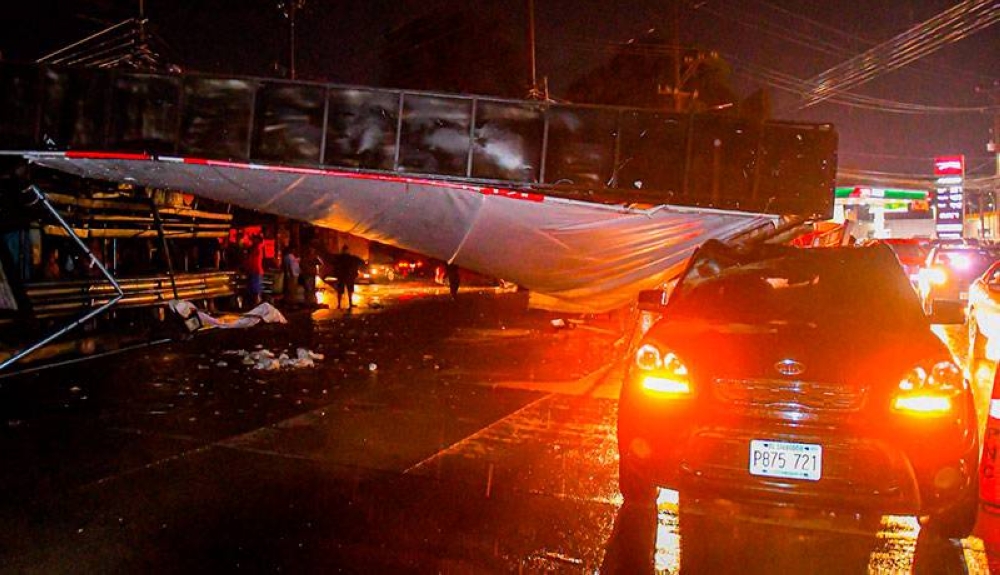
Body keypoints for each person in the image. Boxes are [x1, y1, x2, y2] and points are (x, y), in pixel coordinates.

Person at [330, 245, 365, 310]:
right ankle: (350, 304)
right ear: (347, 250)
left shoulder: (339, 257)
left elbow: (333, 263)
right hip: (349, 277)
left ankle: (339, 305)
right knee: (349, 290)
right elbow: (362, 261)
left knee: (340, 291)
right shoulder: (351, 257)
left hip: (342, 276)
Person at [244, 235, 265, 307]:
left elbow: (252, 260)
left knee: (256, 290)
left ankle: (257, 305)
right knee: (253, 289)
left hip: (256, 271)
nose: (253, 241)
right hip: (253, 271)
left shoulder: (257, 248)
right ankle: (255, 305)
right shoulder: (254, 248)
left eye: (254, 239)